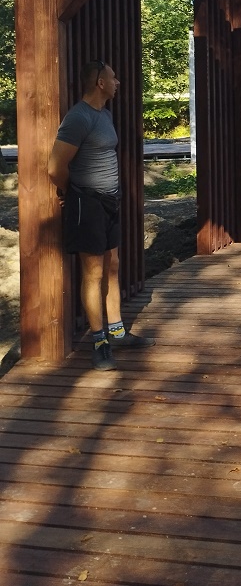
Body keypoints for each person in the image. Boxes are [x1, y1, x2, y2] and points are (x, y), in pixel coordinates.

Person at [48, 60, 154, 372]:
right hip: (88, 205)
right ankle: (99, 342)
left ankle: (117, 332)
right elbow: (54, 167)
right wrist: (72, 192)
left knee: (112, 267)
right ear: (100, 83)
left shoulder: (104, 115)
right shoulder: (78, 117)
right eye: (113, 77)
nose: (118, 82)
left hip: (109, 203)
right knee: (93, 273)